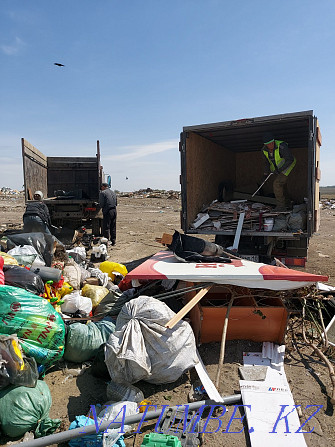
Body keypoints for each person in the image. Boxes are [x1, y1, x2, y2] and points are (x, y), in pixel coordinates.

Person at [261, 132, 296, 211]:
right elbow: (266, 163)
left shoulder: (282, 146)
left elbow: (290, 159)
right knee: (282, 185)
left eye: (272, 143)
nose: (270, 145)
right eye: (268, 144)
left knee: (277, 184)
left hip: (287, 165)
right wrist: (265, 175)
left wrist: (279, 170)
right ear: (265, 144)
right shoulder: (264, 150)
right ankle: (288, 203)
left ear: (274, 141)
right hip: (278, 168)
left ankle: (281, 207)